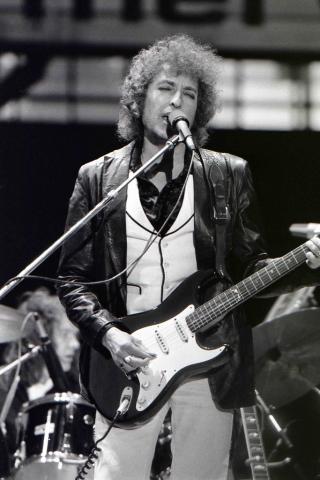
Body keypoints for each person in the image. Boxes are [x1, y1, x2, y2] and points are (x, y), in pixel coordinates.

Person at [57, 35, 320, 480]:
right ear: (139, 101)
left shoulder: (226, 175)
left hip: (210, 356)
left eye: (191, 94)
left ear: (201, 110)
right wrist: (109, 335)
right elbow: (72, 280)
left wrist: (306, 265)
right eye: (166, 88)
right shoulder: (98, 178)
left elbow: (253, 267)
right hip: (128, 361)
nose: (178, 101)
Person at [0, 288, 80, 465]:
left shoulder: (73, 390)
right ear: (41, 336)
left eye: (74, 336)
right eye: (66, 334)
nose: (75, 345)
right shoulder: (5, 388)